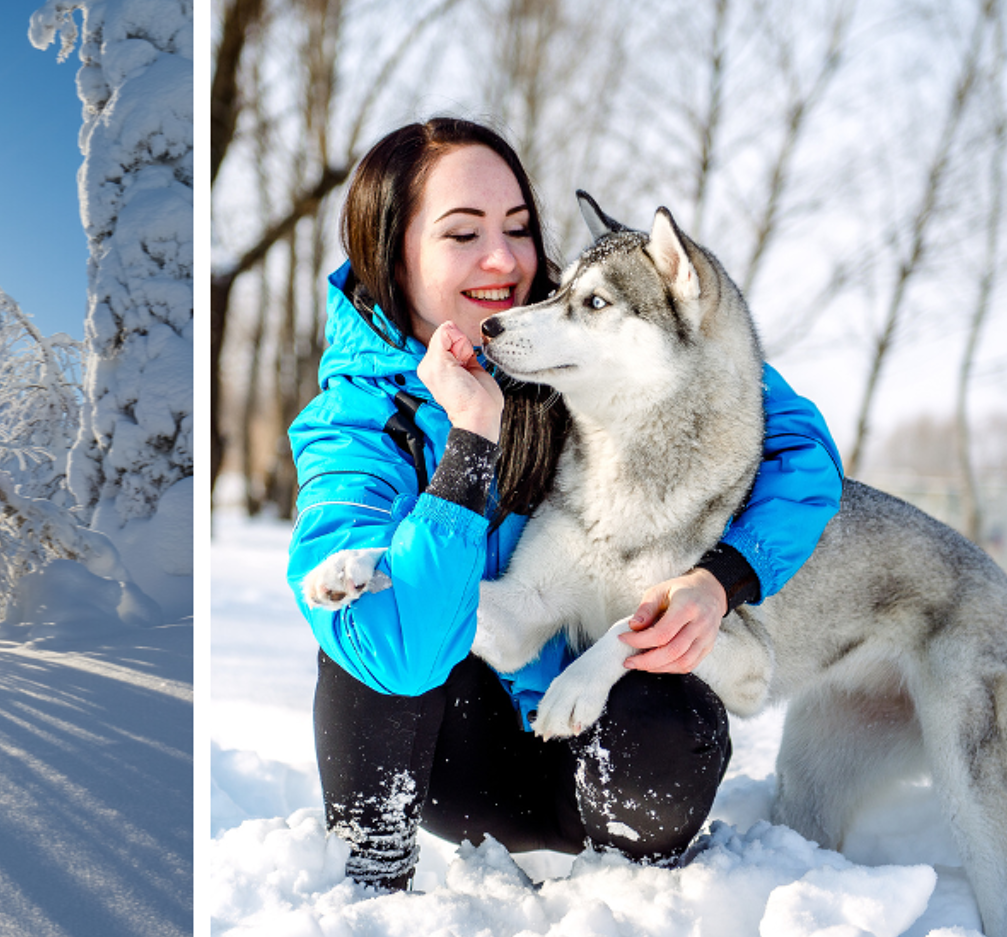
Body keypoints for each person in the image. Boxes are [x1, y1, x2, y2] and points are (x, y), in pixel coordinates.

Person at [285, 118, 845, 891]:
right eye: (462, 233)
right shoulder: (358, 418)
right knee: (364, 625)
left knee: (667, 710)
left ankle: (629, 908)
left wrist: (725, 577)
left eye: (518, 227)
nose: (504, 258)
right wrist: (471, 441)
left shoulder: (581, 327)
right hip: (459, 754)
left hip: (600, 741)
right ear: (393, 250)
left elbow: (801, 452)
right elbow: (398, 654)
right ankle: (370, 887)